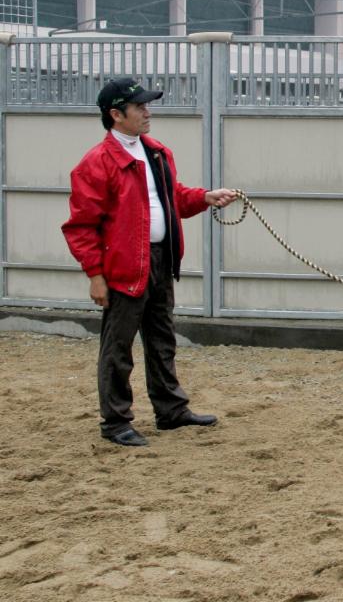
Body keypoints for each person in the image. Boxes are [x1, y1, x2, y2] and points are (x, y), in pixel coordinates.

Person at [62, 77, 237, 447]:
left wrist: (205, 197)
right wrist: (95, 275)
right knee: (118, 347)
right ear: (115, 114)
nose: (147, 112)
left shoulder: (155, 151)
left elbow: (171, 198)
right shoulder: (97, 163)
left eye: (146, 105)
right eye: (139, 107)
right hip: (124, 266)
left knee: (161, 340)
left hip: (159, 259)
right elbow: (81, 226)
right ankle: (116, 421)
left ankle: (171, 411)